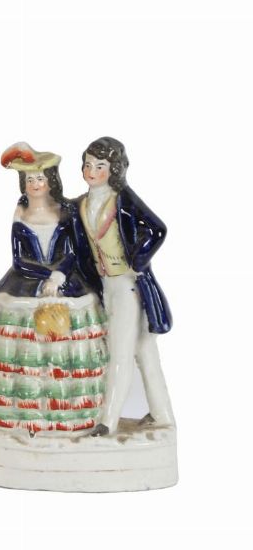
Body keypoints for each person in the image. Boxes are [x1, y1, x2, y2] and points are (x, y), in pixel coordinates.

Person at [0, 144, 107, 435]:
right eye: (30, 179)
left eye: (40, 178)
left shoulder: (65, 212)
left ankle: (73, 414)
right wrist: (47, 275)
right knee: (25, 348)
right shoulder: (21, 214)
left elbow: (72, 251)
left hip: (66, 280)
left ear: (51, 180)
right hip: (27, 282)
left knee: (71, 343)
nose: (35, 184)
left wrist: (59, 276)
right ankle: (26, 417)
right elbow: (19, 259)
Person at [76, 137, 174, 435]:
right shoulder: (83, 203)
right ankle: (162, 414)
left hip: (127, 286)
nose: (92, 172)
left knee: (119, 352)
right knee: (144, 351)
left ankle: (108, 421)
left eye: (100, 166)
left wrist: (137, 260)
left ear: (114, 169)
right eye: (88, 165)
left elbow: (157, 229)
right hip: (106, 284)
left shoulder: (123, 199)